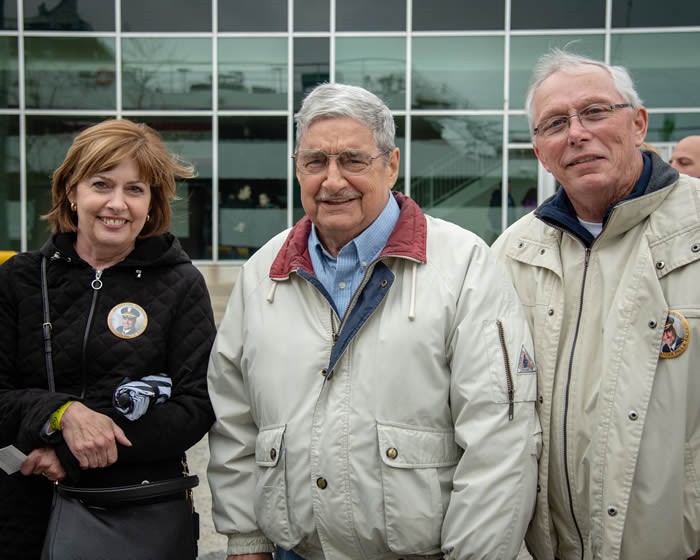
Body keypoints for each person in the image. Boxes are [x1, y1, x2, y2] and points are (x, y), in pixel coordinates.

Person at [207, 82, 540, 559]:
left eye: (353, 160)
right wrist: (246, 540)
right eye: (315, 162)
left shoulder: (463, 265)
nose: (333, 180)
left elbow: (499, 440)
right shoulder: (263, 270)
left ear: (392, 164)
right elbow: (234, 419)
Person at [492, 49, 700, 560]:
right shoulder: (509, 255)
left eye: (595, 112)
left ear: (638, 123)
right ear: (541, 151)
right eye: (555, 123)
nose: (577, 133)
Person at [0, 118, 217, 559]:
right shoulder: (19, 279)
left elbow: (196, 405)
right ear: (72, 192)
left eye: (135, 189)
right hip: (20, 513)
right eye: (102, 184)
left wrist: (72, 454)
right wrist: (62, 413)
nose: (117, 203)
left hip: (135, 515)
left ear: (152, 202)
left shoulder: (180, 284)